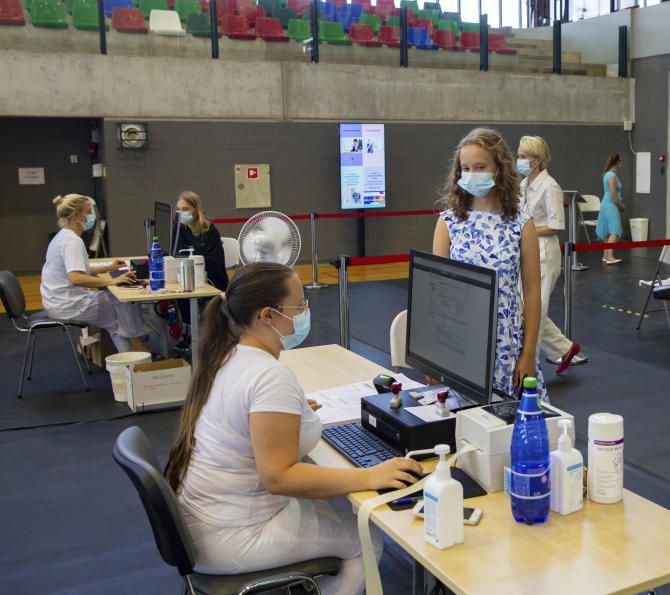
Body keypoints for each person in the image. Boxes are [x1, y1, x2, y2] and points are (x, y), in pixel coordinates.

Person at [165, 262, 422, 595]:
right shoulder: (269, 376)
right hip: (233, 535)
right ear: (268, 316)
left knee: (338, 511)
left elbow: (248, 418)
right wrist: (371, 475)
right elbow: (279, 477)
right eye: (299, 306)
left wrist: (289, 414)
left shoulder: (229, 355)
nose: (305, 313)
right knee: (367, 540)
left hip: (204, 524)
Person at [432, 128, 545, 401]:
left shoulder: (522, 224)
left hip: (508, 340)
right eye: (466, 168)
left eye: (480, 167)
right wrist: (435, 356)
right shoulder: (448, 223)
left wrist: (528, 354)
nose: (472, 174)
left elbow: (531, 293)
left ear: (498, 168)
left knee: (513, 426)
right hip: (460, 340)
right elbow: (436, 292)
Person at [516, 135, 588, 375]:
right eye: (519, 156)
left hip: (545, 252)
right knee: (526, 308)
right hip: (526, 250)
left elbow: (557, 225)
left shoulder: (550, 186)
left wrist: (526, 230)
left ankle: (530, 371)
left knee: (535, 310)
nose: (519, 160)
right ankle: (565, 349)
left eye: (523, 157)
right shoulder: (523, 185)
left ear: (536, 160)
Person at [40, 194, 148, 353]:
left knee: (118, 312)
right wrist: (111, 281)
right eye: (89, 211)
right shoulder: (72, 241)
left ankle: (135, 353)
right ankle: (136, 355)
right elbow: (75, 277)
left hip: (56, 303)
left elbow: (77, 268)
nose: (92, 216)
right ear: (76, 216)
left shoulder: (63, 236)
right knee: (121, 304)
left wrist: (107, 268)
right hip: (67, 306)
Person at [173, 191, 228, 292]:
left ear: (195, 209)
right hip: (186, 278)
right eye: (179, 209)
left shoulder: (209, 230)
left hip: (210, 280)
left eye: (185, 209)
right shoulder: (178, 230)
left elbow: (215, 263)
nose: (181, 213)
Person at [596, 153, 626, 264]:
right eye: (620, 161)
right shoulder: (612, 176)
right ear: (617, 162)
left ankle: (606, 255)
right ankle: (610, 257)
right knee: (614, 230)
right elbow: (613, 194)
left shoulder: (607, 174)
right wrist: (621, 205)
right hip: (611, 205)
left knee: (608, 231)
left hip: (606, 204)